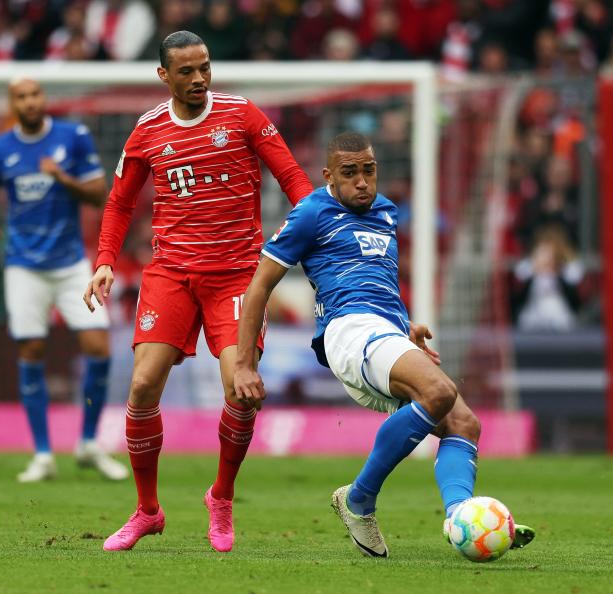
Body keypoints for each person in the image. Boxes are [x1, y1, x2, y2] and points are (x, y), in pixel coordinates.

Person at [233, 132, 536, 558]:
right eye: (350, 173)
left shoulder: (387, 213)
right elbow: (259, 287)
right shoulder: (311, 213)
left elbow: (375, 282)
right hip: (348, 331)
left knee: (464, 424)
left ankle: (459, 518)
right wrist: (245, 364)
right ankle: (359, 499)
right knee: (440, 392)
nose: (361, 182)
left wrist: (403, 327)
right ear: (329, 176)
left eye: (368, 171)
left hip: (383, 331)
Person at [83, 31, 313, 553]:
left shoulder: (243, 115)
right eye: (186, 71)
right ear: (164, 76)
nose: (199, 79)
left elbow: (295, 181)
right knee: (142, 386)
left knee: (240, 389)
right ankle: (147, 511)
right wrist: (104, 262)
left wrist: (316, 240)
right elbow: (120, 204)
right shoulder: (147, 131)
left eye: (204, 67)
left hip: (236, 277)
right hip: (170, 274)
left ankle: (222, 498)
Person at [0, 77, 128, 483]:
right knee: (32, 349)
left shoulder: (72, 137)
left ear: (44, 99)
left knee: (98, 343)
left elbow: (100, 194)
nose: (30, 102)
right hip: (23, 266)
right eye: (21, 97)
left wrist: (62, 178)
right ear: (13, 105)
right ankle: (42, 453)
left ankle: (89, 442)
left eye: (35, 94)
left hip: (70, 263)